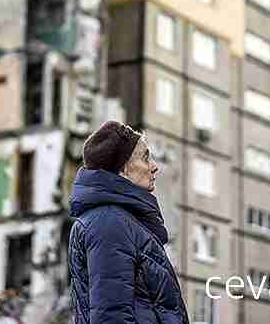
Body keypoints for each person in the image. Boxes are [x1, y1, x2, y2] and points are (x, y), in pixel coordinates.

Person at [68, 120, 189, 323]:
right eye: (145, 158)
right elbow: (111, 316)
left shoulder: (122, 221)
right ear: (123, 168)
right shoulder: (109, 223)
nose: (154, 166)